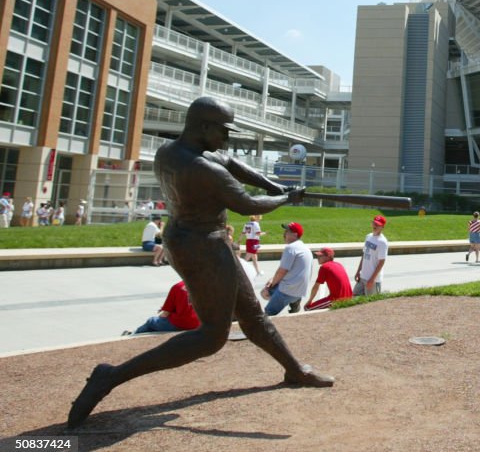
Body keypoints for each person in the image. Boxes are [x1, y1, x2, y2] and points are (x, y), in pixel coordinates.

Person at [67, 96, 332, 430]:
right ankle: (111, 376)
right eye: (223, 130)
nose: (228, 137)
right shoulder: (200, 168)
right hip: (202, 246)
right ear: (204, 127)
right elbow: (246, 203)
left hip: (190, 238)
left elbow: (229, 160)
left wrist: (273, 184)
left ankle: (295, 369)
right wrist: (285, 197)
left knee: (251, 314)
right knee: (211, 336)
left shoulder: (170, 151)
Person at [260, 223, 313, 316]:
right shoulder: (305, 248)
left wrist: (271, 285)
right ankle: (294, 301)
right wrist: (273, 279)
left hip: (288, 291)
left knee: (267, 312)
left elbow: (282, 271)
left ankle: (288, 300)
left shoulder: (291, 248)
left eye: (287, 231)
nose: (284, 234)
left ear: (295, 235)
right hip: (300, 291)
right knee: (271, 288)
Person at [125, 281, 200, 335]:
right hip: (199, 324)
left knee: (151, 321)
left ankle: (132, 335)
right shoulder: (206, 286)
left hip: (180, 324)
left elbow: (165, 313)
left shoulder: (178, 286)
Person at [354, 215, 388, 295]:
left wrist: (372, 279)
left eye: (378, 224)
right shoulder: (368, 237)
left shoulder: (382, 242)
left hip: (373, 280)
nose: (375, 226)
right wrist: (358, 271)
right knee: (354, 297)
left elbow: (381, 262)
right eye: (374, 223)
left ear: (382, 227)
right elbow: (364, 255)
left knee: (370, 304)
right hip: (363, 277)